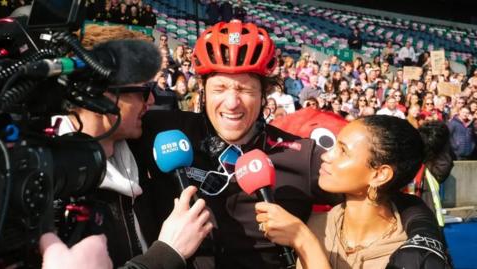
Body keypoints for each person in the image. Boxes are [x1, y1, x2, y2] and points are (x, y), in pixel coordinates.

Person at [130, 20, 450, 269]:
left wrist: (425, 234)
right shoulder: (159, 129)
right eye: (220, 88)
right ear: (201, 88)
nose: (232, 102)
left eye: (246, 89)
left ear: (266, 92)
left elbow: (387, 190)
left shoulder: (304, 156)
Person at [44, 25, 212, 268]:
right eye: (144, 91)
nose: (152, 101)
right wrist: (168, 253)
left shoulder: (137, 149)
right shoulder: (44, 181)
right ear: (101, 95)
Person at [254, 116, 451, 269]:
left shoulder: (411, 254)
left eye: (343, 151)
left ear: (380, 174)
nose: (326, 155)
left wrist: (305, 242)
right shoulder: (318, 224)